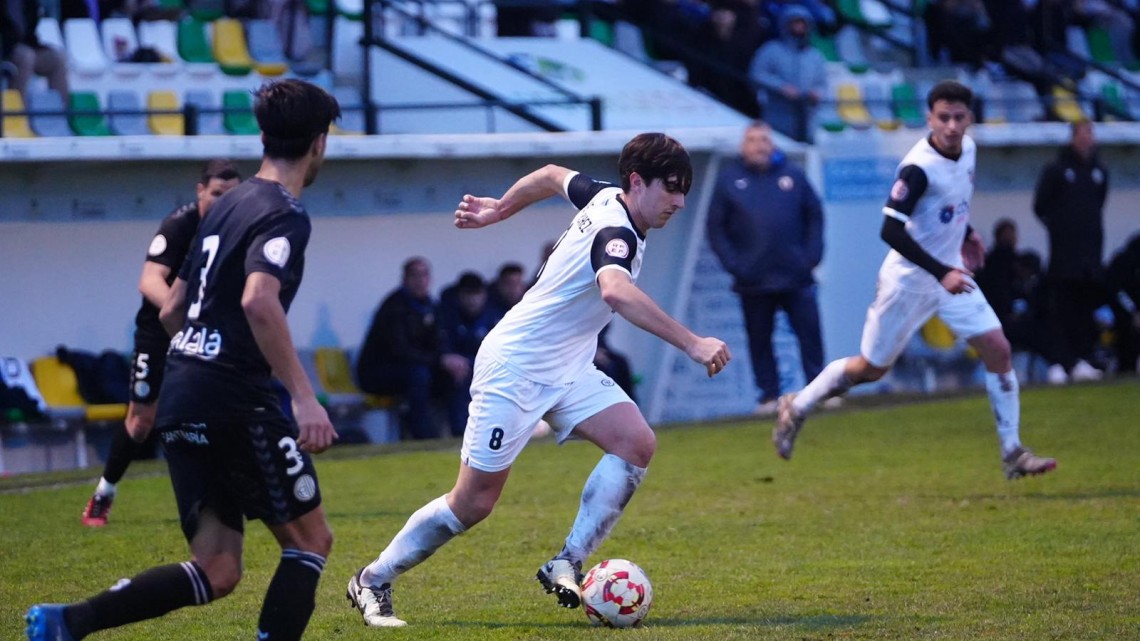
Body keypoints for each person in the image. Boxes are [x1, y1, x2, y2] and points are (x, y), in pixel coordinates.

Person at [345, 133, 731, 627]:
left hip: (568, 367)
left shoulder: (601, 194)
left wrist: (500, 210)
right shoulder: (617, 231)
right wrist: (692, 342)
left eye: (685, 190)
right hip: (515, 369)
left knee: (636, 443)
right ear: (637, 181)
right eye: (671, 188)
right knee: (472, 504)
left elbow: (550, 175)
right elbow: (615, 291)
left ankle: (567, 561)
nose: (679, 201)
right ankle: (372, 580)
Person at [25, 78, 341, 641]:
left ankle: (68, 621)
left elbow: (173, 307)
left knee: (218, 570)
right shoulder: (283, 212)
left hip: (182, 390)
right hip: (234, 399)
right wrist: (302, 394)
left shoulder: (223, 208)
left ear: (264, 136)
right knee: (310, 542)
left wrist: (199, 359)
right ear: (319, 143)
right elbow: (258, 300)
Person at [772, 80, 1057, 481]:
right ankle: (798, 406)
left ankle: (1012, 452)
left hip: (950, 276)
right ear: (930, 118)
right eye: (944, 117)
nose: (952, 126)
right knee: (871, 369)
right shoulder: (918, 167)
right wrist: (941, 270)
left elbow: (948, 206)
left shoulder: (969, 150)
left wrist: (968, 232)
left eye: (959, 117)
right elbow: (890, 230)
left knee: (998, 349)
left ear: (970, 118)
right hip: (909, 282)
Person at [81, 160, 242, 528]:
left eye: (231, 195)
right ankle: (103, 495)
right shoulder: (180, 224)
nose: (222, 202)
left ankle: (224, 498)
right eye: (217, 194)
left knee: (219, 410)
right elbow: (150, 280)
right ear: (201, 190)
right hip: (159, 333)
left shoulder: (237, 228)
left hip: (206, 332)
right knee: (141, 421)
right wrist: (186, 317)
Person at [706, 120, 825, 416]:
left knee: (809, 333)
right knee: (760, 339)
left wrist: (811, 256)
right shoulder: (729, 181)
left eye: (765, 140)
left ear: (772, 145)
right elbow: (715, 229)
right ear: (743, 147)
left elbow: (815, 215)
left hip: (796, 275)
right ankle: (768, 396)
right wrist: (735, 265)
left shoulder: (793, 176)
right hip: (754, 280)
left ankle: (820, 389)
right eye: (754, 140)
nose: (760, 146)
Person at [355, 257, 469, 440]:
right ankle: (424, 436)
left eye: (424, 275)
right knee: (419, 375)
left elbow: (440, 342)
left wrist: (449, 360)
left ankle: (460, 432)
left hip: (417, 368)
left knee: (456, 371)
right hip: (378, 373)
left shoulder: (431, 306)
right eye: (415, 275)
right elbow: (400, 351)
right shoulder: (394, 307)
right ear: (405, 279)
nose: (420, 280)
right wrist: (439, 360)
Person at [1033, 119, 1108, 382]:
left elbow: (1099, 203)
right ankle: (1060, 362)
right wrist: (1062, 229)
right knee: (1062, 310)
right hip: (1064, 255)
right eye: (1083, 133)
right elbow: (1040, 206)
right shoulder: (1056, 170)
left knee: (1085, 311)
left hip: (1091, 255)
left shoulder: (1099, 172)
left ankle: (1083, 359)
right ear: (1073, 138)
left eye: (1091, 133)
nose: (1088, 138)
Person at [748, 5, 827, 142]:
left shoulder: (815, 56)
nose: (799, 27)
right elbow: (757, 73)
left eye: (803, 24)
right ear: (785, 24)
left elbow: (822, 82)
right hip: (778, 113)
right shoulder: (771, 50)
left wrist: (817, 93)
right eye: (795, 23)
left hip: (807, 116)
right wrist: (781, 87)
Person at [438, 271, 498, 437]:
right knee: (459, 373)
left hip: (487, 369)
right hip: (455, 373)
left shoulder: (494, 317)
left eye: (476, 294)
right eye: (468, 294)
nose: (473, 299)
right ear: (459, 296)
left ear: (484, 295)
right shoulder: (446, 317)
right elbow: (442, 349)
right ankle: (460, 433)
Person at [0, 0, 69, 98]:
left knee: (57, 58)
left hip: (27, 45)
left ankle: (61, 109)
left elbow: (31, 30)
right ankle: (17, 110)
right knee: (26, 57)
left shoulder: (29, 3)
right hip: (6, 49)